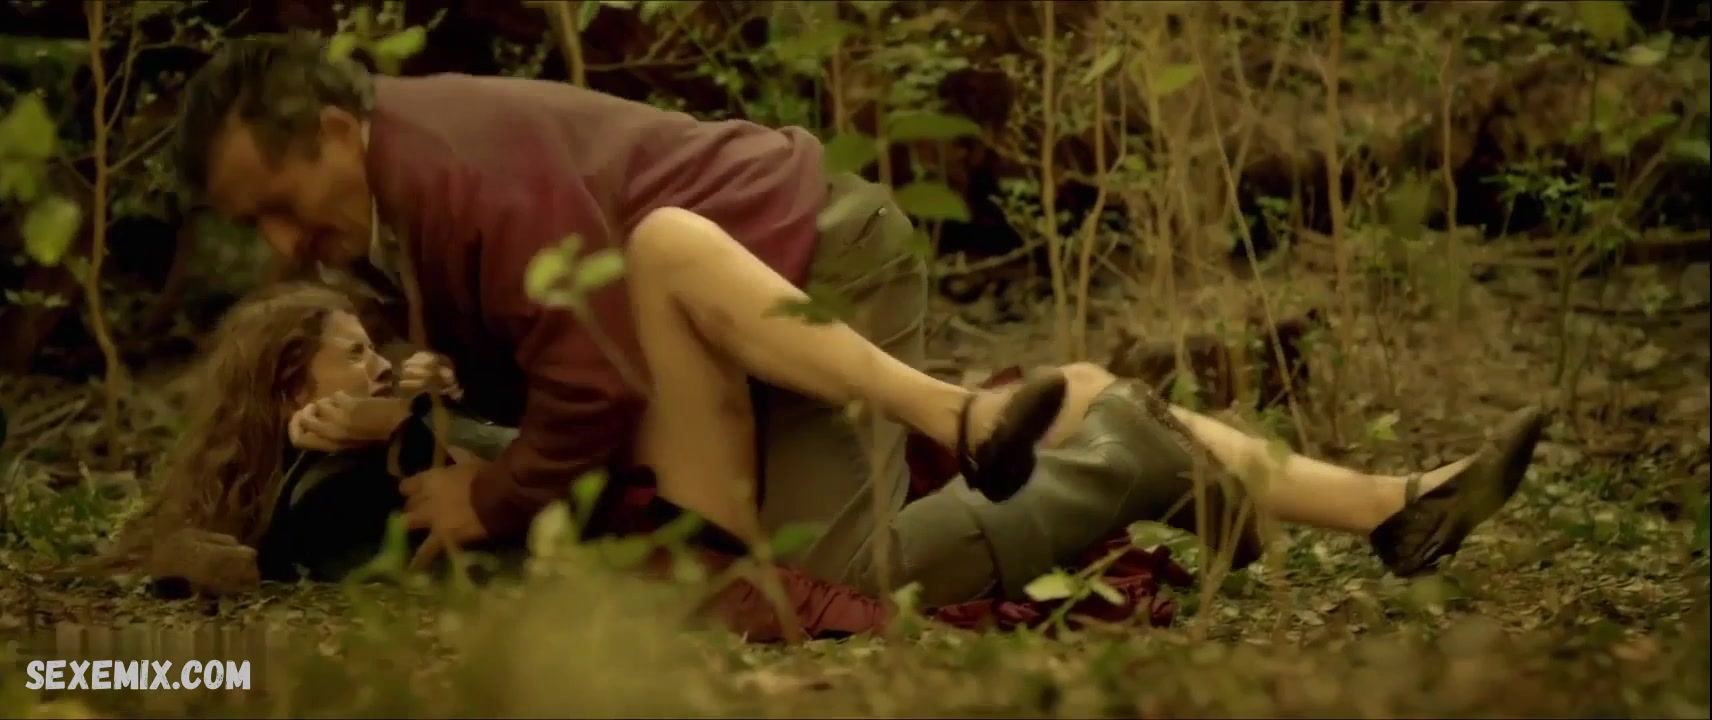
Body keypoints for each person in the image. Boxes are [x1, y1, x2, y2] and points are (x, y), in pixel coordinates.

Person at [165, 33, 1546, 635]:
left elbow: (586, 377)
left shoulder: (449, 166)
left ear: (333, 133)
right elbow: (522, 369)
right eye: (257, 233)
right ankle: (1385, 506)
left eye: (278, 205)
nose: (282, 249)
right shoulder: (395, 221)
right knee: (1065, 397)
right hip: (737, 328)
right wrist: (404, 403)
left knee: (836, 572)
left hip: (798, 262)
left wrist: (487, 488)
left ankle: (1084, 450)